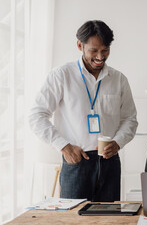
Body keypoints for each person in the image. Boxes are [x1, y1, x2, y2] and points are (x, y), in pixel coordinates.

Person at [29, 20, 138, 202]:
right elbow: (36, 116)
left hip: (109, 161)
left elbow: (130, 119)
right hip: (76, 160)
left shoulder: (119, 79)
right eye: (94, 51)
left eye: (105, 51)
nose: (100, 57)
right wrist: (63, 146)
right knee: (73, 220)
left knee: (109, 220)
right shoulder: (61, 75)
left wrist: (118, 142)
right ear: (80, 45)